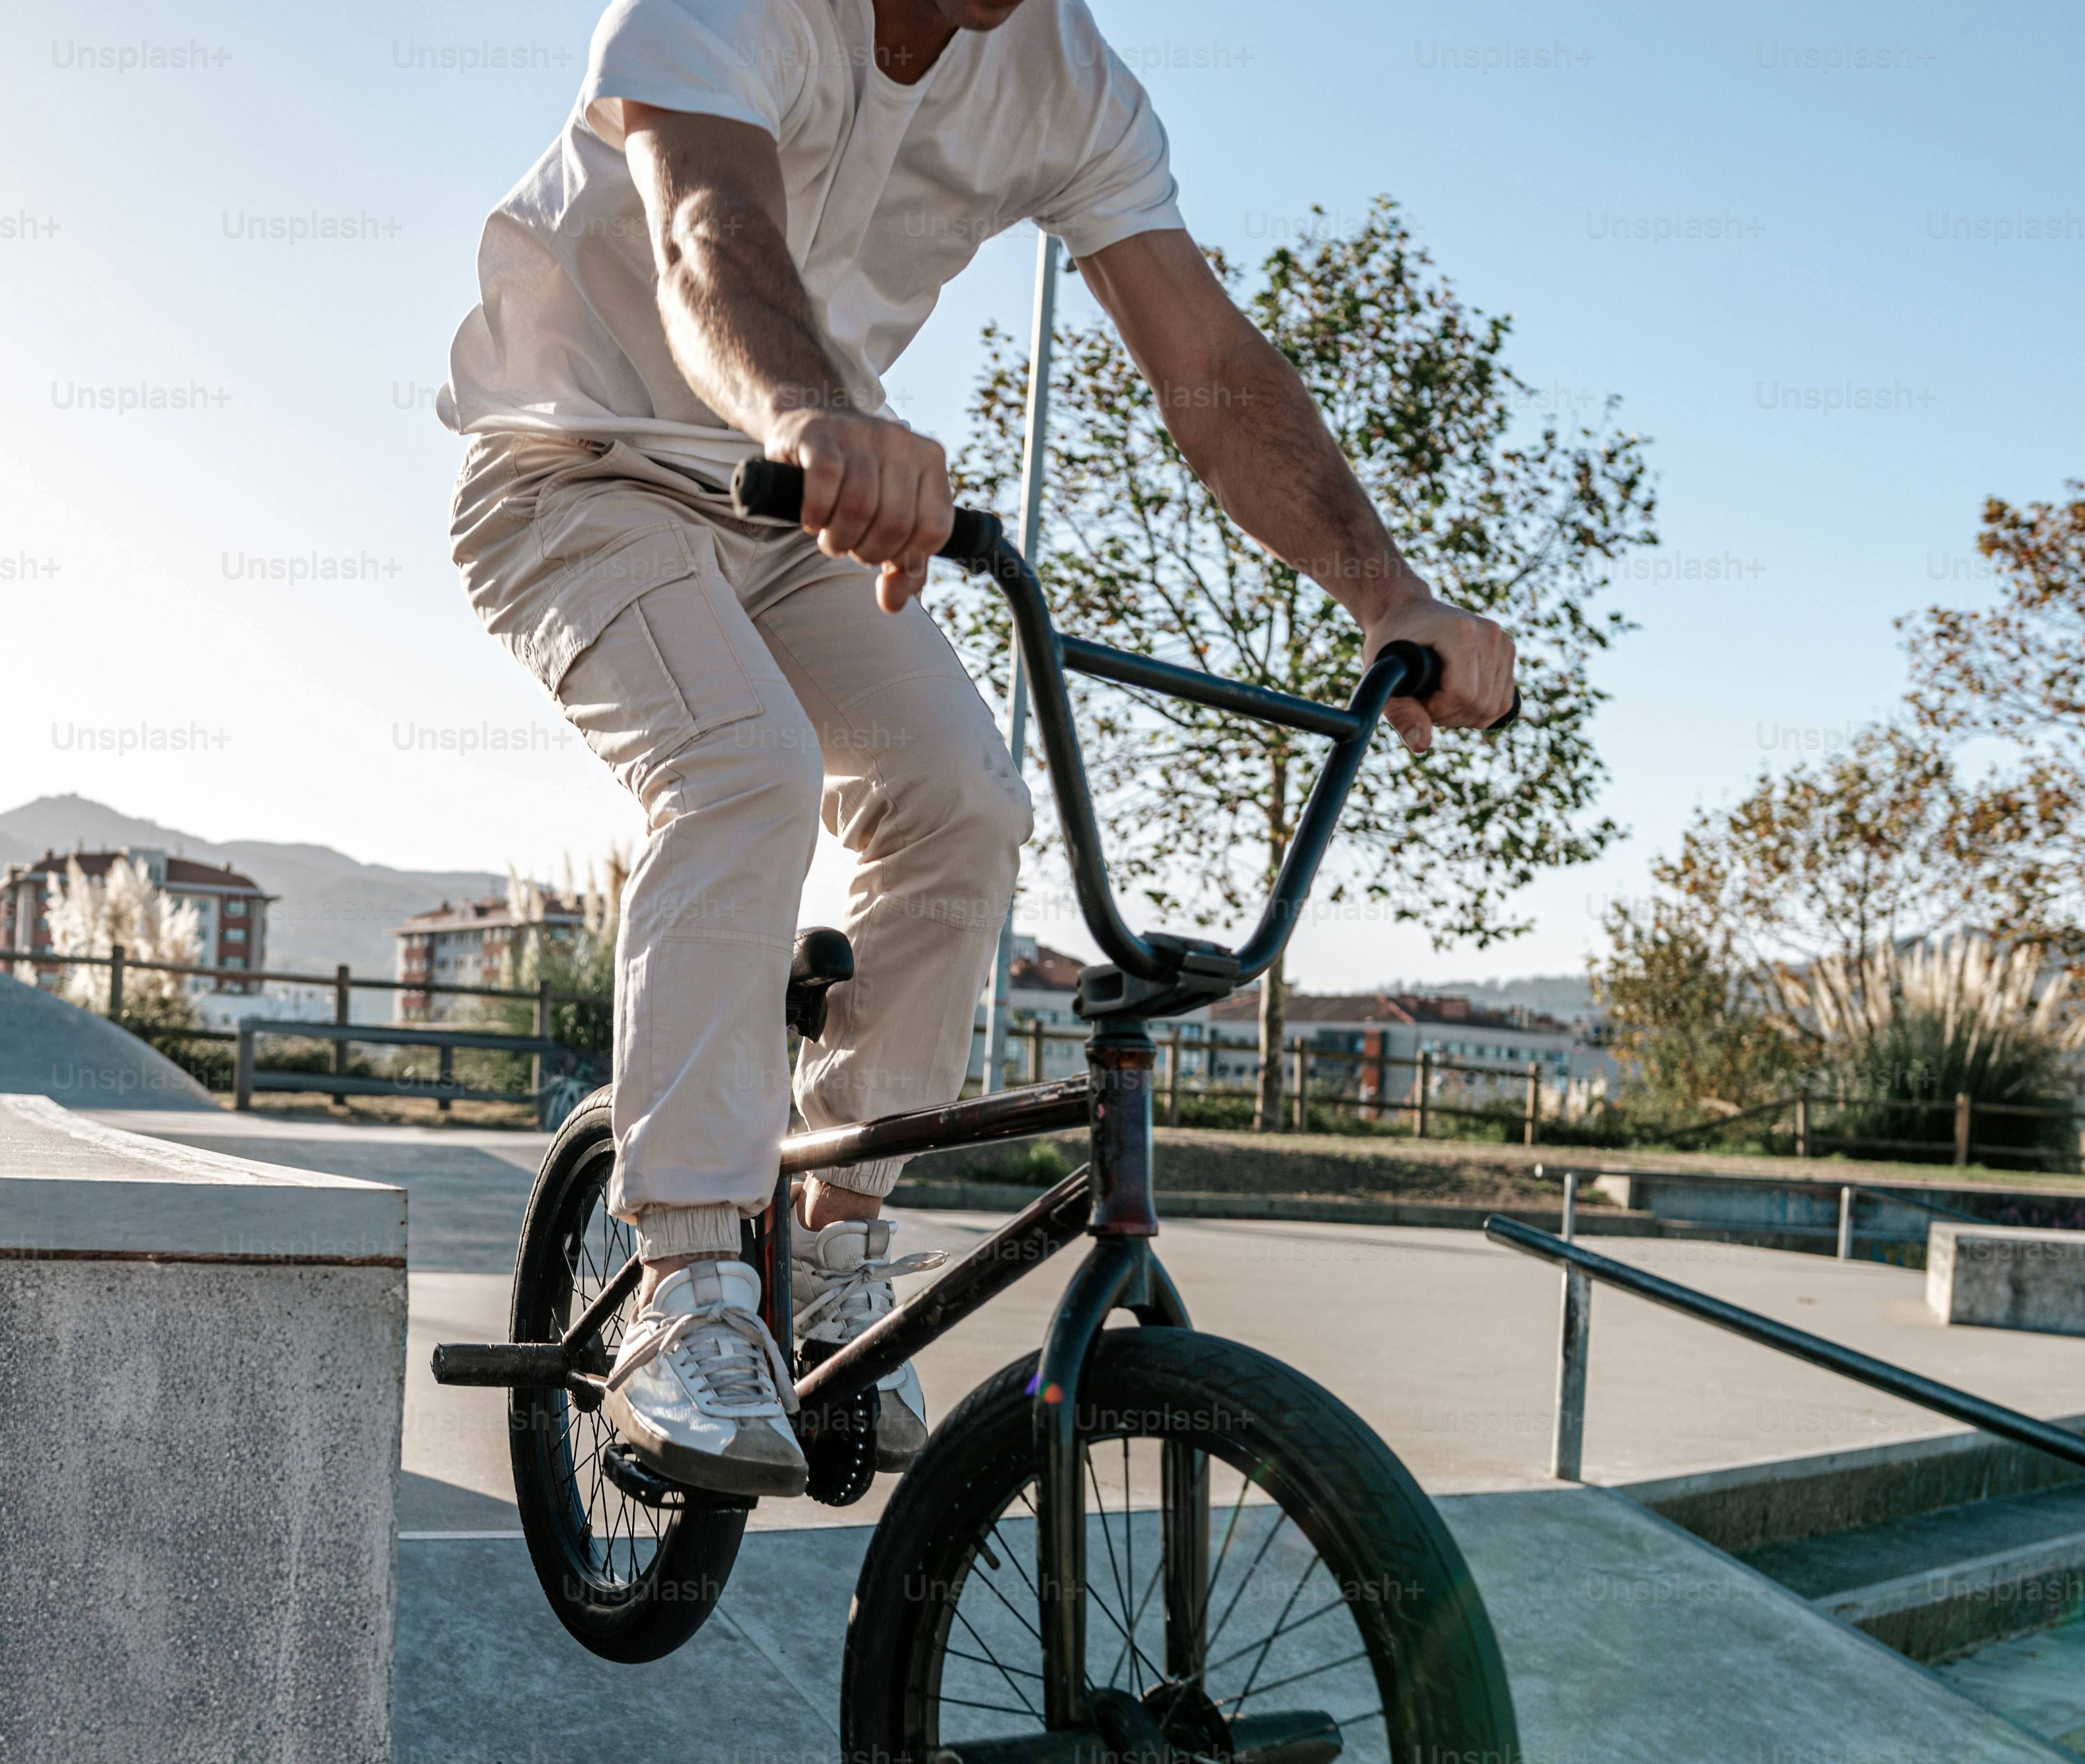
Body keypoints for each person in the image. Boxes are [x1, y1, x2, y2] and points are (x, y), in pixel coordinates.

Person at [437, 0, 1515, 1497]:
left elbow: (1209, 370)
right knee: (745, 771)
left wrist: (1387, 589)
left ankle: (830, 1243)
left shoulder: (1064, 77)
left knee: (965, 805)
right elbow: (707, 225)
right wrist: (816, 406)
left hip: (799, 517)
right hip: (584, 467)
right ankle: (685, 1279)